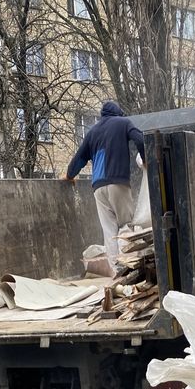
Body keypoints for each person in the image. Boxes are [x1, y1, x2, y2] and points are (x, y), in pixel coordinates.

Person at [65, 100, 145, 270]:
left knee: (109, 231)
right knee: (127, 225)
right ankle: (131, 267)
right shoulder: (123, 123)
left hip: (98, 188)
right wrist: (146, 159)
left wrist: (69, 175)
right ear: (118, 113)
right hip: (117, 183)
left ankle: (117, 271)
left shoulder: (92, 132)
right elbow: (140, 138)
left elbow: (79, 158)